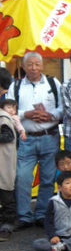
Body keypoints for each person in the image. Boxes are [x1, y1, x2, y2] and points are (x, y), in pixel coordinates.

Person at [6, 52, 63, 229]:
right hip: (26, 138)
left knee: (47, 178)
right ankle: (24, 215)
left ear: (42, 65)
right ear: (23, 66)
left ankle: (41, 214)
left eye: (37, 64)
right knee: (22, 178)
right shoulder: (15, 86)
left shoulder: (53, 83)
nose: (33, 68)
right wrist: (27, 114)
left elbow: (63, 108)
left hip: (50, 136)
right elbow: (8, 111)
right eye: (29, 64)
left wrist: (49, 115)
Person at [32, 171, 71, 251]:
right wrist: (52, 235)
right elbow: (48, 221)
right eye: (67, 183)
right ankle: (69, 245)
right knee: (37, 243)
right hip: (60, 235)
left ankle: (62, 247)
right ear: (59, 187)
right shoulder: (54, 201)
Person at [0, 101, 17, 241]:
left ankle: (7, 225)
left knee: (6, 193)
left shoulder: (3, 118)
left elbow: (8, 136)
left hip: (3, 163)